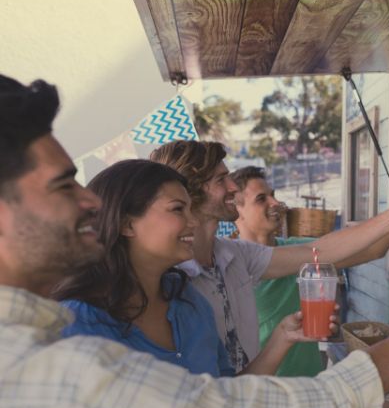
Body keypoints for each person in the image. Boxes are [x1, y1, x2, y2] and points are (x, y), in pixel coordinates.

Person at [0, 74, 389, 408]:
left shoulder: (187, 297)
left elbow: (328, 251)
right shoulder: (67, 358)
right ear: (128, 223)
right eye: (64, 185)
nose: (87, 201)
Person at [149, 140, 389, 372]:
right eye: (221, 180)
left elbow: (320, 251)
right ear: (190, 191)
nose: (232, 187)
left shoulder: (235, 255)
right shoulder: (167, 277)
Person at [53, 160, 327, 377]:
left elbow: (225, 397)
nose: (193, 223)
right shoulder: (77, 324)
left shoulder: (189, 303)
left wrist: (282, 337)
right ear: (126, 224)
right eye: (177, 210)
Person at [230, 165, 324, 377]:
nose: (276, 203)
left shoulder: (298, 250)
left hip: (309, 385)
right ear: (236, 211)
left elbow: (369, 249)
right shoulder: (227, 266)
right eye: (261, 199)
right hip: (262, 391)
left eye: (273, 195)